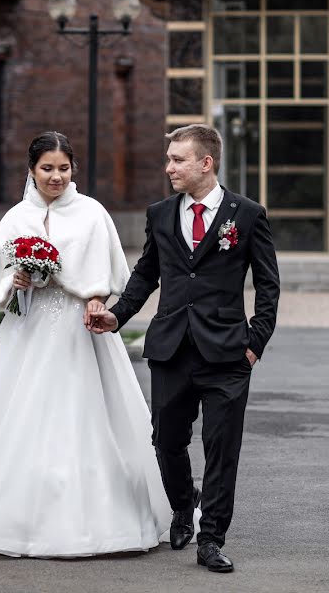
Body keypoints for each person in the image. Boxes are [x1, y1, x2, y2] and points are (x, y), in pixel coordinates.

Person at [0, 131, 173, 558]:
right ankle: (12, 514)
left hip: (79, 328)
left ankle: (102, 517)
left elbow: (108, 272)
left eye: (63, 168)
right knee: (20, 411)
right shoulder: (16, 217)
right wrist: (16, 280)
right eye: (47, 169)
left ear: (73, 168)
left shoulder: (92, 213)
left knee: (83, 412)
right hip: (28, 329)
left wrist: (95, 294)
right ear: (32, 170)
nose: (56, 176)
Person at [87, 124, 280, 572]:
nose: (168, 167)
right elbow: (145, 273)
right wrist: (118, 315)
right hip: (172, 348)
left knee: (221, 449)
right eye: (169, 158)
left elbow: (268, 285)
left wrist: (255, 343)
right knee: (167, 441)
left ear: (205, 163)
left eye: (177, 159)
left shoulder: (247, 215)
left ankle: (211, 538)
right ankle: (181, 506)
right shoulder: (159, 214)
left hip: (229, 353)